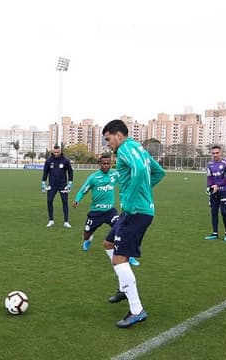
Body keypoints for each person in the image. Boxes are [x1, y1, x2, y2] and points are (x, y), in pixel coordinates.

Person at [101, 119, 166, 328]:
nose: (108, 144)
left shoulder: (125, 149)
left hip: (135, 212)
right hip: (137, 209)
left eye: (108, 139)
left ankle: (137, 310)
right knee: (108, 244)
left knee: (119, 260)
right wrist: (143, 192)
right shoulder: (138, 147)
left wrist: (130, 198)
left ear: (118, 135)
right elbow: (158, 172)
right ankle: (124, 288)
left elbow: (138, 169)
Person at [72, 154, 140, 266]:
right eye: (104, 163)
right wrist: (77, 199)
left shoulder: (114, 174)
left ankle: (129, 255)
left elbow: (126, 175)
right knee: (86, 233)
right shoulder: (93, 177)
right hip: (95, 212)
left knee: (122, 231)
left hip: (110, 212)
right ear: (100, 164)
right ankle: (88, 239)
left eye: (108, 163)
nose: (106, 165)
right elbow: (83, 190)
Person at [41, 145, 74, 228]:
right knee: (49, 201)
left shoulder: (65, 160)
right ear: (52, 151)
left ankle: (66, 221)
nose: (56, 153)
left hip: (63, 185)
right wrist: (43, 182)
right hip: (52, 185)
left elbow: (70, 171)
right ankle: (51, 220)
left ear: (60, 151)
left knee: (65, 202)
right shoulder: (49, 161)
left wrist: (70, 182)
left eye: (58, 152)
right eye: (55, 152)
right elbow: (45, 172)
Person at [204, 145, 226, 241]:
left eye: (217, 153)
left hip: (224, 191)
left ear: (221, 153)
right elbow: (209, 177)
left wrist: (217, 185)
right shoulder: (210, 164)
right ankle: (215, 233)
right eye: (213, 153)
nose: (215, 155)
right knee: (214, 212)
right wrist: (209, 186)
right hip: (214, 192)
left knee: (224, 212)